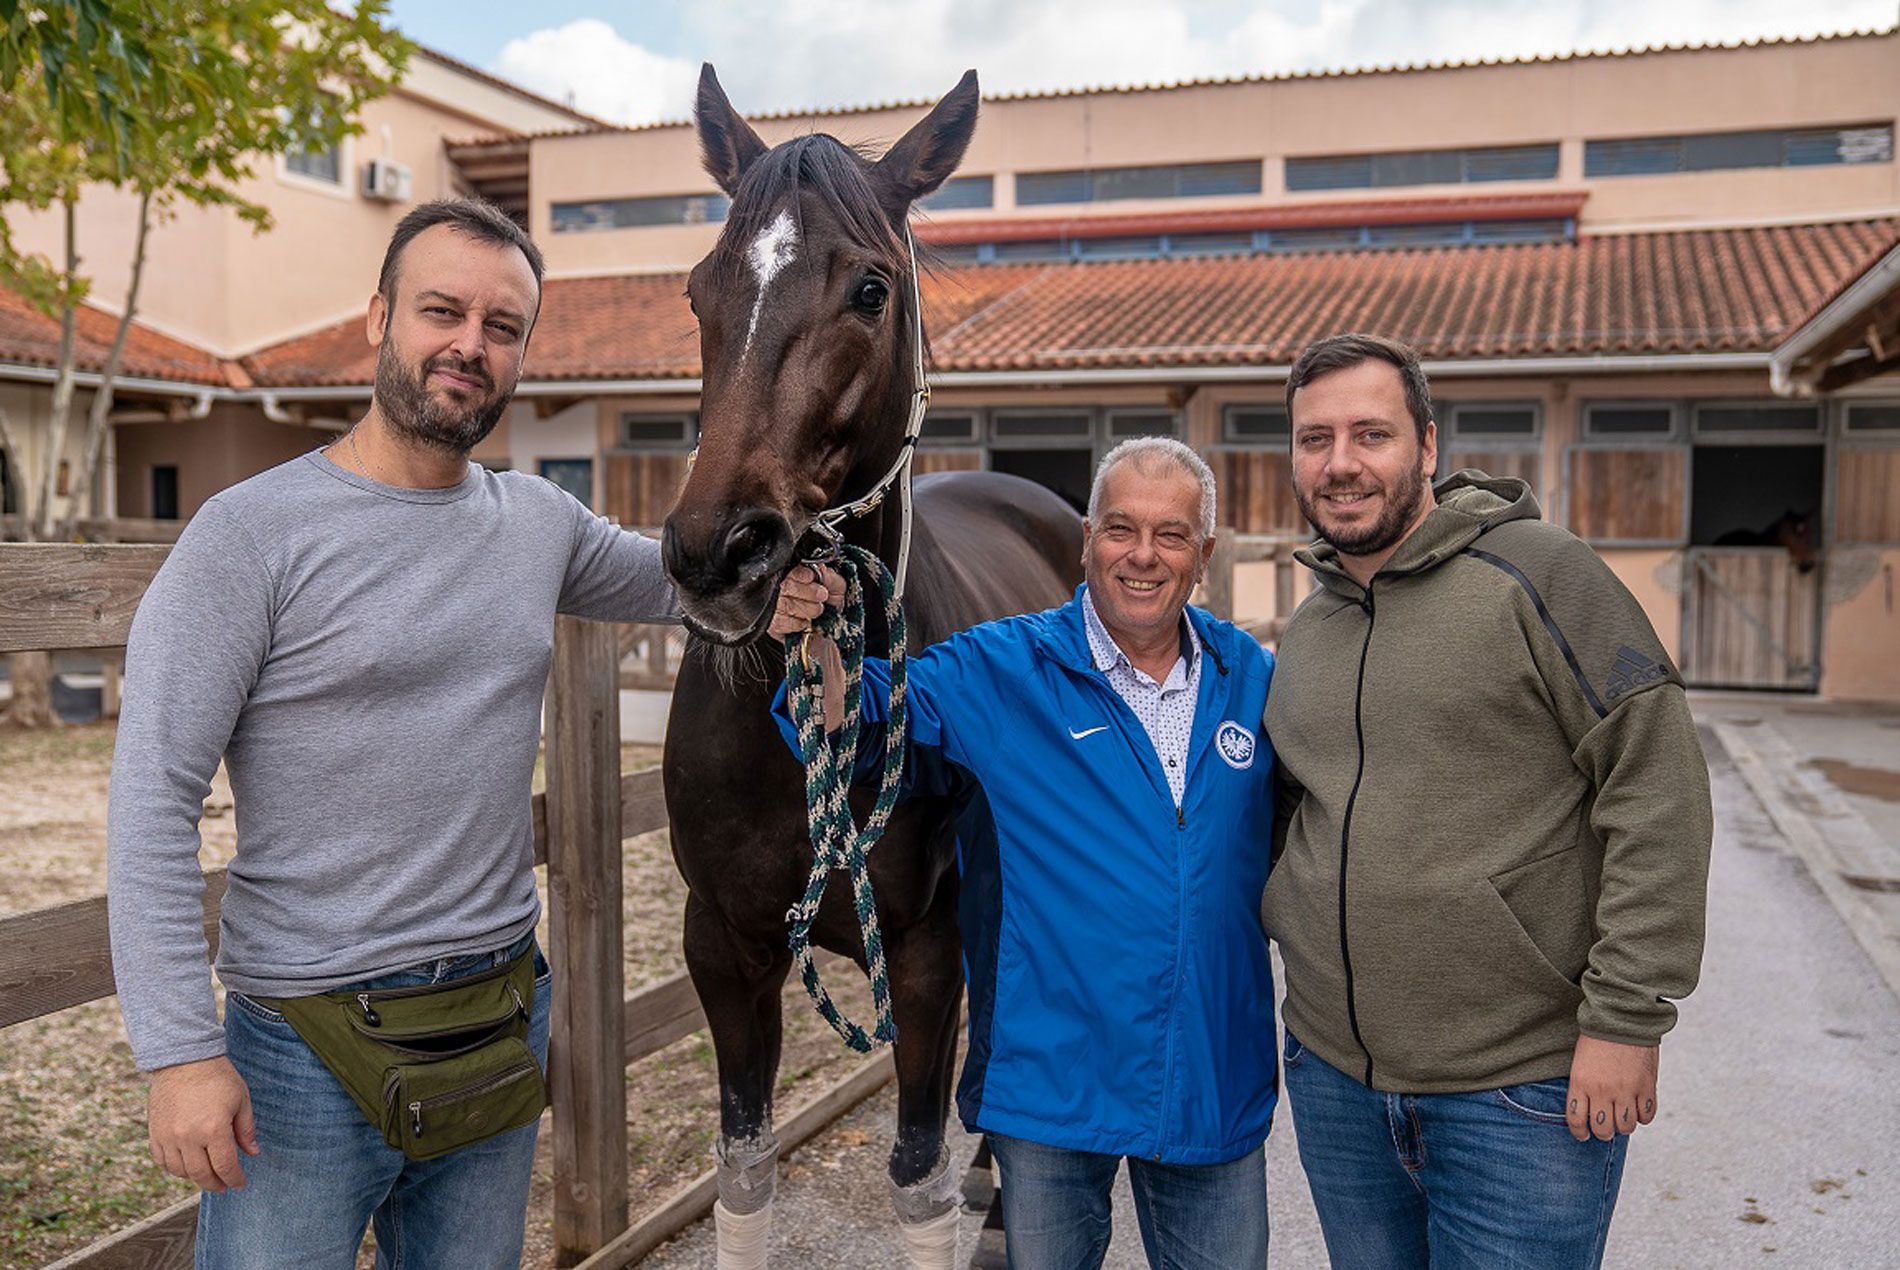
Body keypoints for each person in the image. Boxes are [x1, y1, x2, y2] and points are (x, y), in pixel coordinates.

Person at [105, 197, 828, 1268]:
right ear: (378, 318)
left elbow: (679, 578)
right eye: (442, 310)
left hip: (496, 1018)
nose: (469, 345)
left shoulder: (535, 522)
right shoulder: (250, 536)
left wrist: (774, 582)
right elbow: (151, 799)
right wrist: (176, 1052)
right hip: (304, 1042)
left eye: (501, 327)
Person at [1262, 332, 1713, 1269]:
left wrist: (1627, 1018)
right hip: (1335, 1081)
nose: (1340, 464)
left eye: (1370, 434)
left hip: (1521, 1095)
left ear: (1426, 446)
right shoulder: (1307, 632)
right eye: (1315, 440)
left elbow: (1656, 779)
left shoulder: (1542, 574)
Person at [774, 437, 1279, 1270]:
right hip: (1053, 1085)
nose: (1142, 556)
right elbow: (860, 719)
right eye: (1120, 529)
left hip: (1211, 1082)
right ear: (1086, 539)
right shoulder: (1002, 668)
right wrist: (818, 639)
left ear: (1205, 555)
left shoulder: (1251, 679)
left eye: (1171, 535)